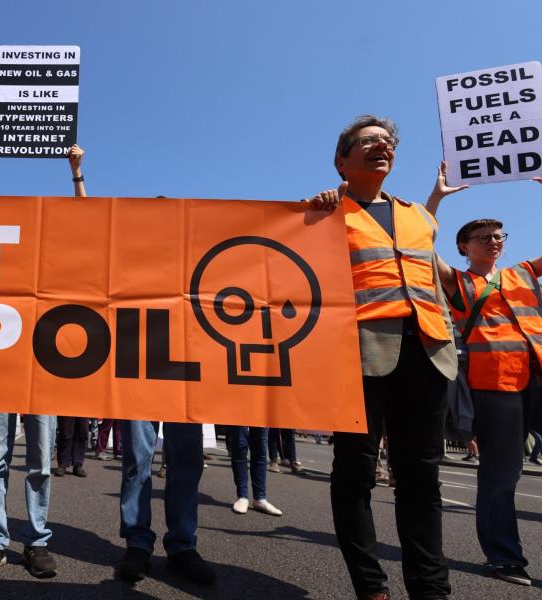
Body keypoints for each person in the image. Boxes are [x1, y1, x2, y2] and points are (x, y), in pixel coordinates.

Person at [307, 115, 458, 600]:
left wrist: (447, 339)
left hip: (427, 354)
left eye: (387, 142)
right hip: (359, 358)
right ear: (341, 162)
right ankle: (371, 588)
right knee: (354, 474)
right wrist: (317, 208)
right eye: (368, 141)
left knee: (421, 479)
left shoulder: (419, 216)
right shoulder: (324, 215)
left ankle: (431, 589)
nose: (382, 146)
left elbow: (435, 283)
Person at [0, 139, 82, 581]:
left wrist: (75, 172)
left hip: (44, 370)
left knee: (39, 462)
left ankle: (35, 541)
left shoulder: (59, 261)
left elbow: (91, 224)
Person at [425, 170, 542, 586]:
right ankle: (505, 557)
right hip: (497, 391)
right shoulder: (458, 282)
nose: (493, 241)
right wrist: (436, 199)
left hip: (537, 384)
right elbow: (420, 248)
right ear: (464, 247)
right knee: (502, 476)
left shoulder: (524, 272)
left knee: (505, 475)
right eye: (482, 236)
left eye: (498, 235)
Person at [117, 420, 216, 584]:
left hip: (184, 393)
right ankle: (137, 542)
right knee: (136, 456)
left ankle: (182, 543)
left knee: (187, 457)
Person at [227, 426, 282, 515]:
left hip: (260, 412)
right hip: (238, 412)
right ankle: (242, 497)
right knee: (240, 446)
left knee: (260, 448)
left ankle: (260, 498)